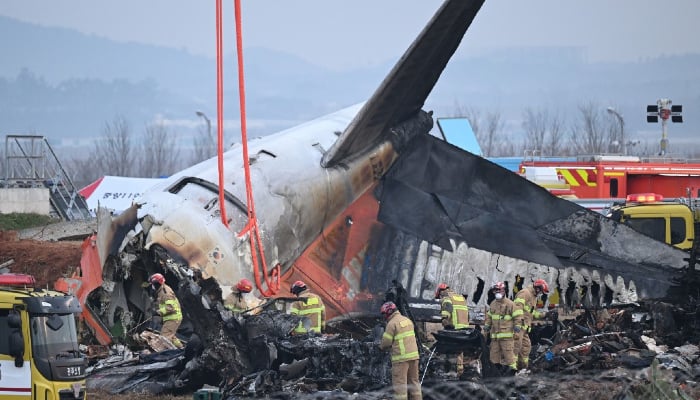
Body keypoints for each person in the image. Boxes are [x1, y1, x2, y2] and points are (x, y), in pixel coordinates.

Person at [379, 301, 422, 400]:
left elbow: (386, 342)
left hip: (401, 360)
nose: (384, 316)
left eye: (384, 314)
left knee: (400, 387)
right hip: (414, 357)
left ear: (388, 312)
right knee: (414, 383)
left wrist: (380, 347)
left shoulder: (392, 323)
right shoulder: (407, 320)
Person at [512, 278, 549, 371]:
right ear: (537, 288)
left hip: (524, 329)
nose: (540, 294)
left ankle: (523, 368)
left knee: (526, 347)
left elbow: (532, 313)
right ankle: (510, 371)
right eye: (541, 291)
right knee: (515, 348)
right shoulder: (525, 293)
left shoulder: (533, 297)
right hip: (518, 327)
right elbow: (516, 308)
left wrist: (545, 315)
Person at [435, 282, 469, 375]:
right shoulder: (461, 298)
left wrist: (445, 322)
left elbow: (446, 312)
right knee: (460, 351)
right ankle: (461, 371)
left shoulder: (447, 298)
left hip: (454, 330)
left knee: (454, 351)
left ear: (441, 292)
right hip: (465, 329)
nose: (440, 299)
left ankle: (454, 373)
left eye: (439, 297)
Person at [483, 281, 517, 374]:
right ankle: (496, 373)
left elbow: (517, 316)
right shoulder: (493, 304)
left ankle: (513, 373)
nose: (497, 293)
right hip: (495, 337)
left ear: (503, 291)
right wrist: (487, 325)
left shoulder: (510, 304)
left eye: (498, 290)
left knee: (509, 356)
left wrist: (517, 326)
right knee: (493, 356)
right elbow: (489, 317)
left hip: (507, 337)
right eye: (495, 291)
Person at [149, 272, 183, 348]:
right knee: (171, 336)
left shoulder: (165, 293)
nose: (152, 286)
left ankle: (164, 354)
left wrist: (158, 312)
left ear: (157, 284)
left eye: (153, 284)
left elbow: (170, 307)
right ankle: (181, 348)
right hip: (172, 318)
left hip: (173, 318)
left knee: (164, 338)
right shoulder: (161, 291)